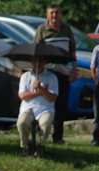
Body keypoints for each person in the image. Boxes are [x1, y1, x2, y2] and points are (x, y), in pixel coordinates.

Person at [34, 5, 77, 144]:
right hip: (47, 72)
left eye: (57, 13)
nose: (54, 16)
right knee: (44, 103)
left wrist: (74, 70)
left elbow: (72, 52)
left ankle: (58, 137)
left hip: (63, 72)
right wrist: (37, 73)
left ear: (61, 15)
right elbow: (36, 52)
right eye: (51, 13)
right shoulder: (42, 29)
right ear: (47, 15)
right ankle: (40, 133)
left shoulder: (67, 29)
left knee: (61, 105)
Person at [16, 56, 58, 157]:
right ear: (31, 62)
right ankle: (24, 147)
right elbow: (22, 96)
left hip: (46, 108)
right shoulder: (25, 76)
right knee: (22, 123)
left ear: (45, 62)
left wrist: (41, 88)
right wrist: (39, 92)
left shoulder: (52, 77)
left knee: (46, 124)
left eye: (41, 61)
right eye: (35, 61)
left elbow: (52, 98)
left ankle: (40, 147)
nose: (38, 64)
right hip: (28, 107)